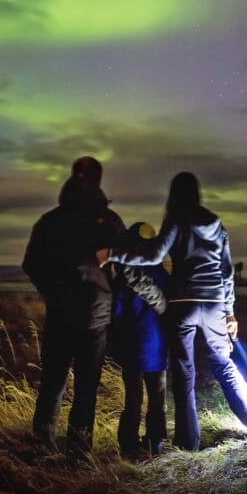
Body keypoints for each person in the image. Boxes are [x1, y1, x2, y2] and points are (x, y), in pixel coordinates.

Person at [97, 171, 247, 451]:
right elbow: (226, 271)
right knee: (223, 361)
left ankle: (188, 443)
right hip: (214, 304)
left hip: (183, 303)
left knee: (184, 373)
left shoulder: (176, 218)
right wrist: (230, 312)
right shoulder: (216, 223)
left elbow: (154, 256)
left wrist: (112, 253)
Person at [22, 159, 166, 461]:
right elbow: (128, 271)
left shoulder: (49, 221)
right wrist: (160, 302)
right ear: (99, 181)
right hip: (95, 317)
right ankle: (78, 455)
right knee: (86, 388)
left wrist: (53, 292)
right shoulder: (109, 221)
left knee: (52, 384)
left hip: (60, 314)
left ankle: (41, 448)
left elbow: (31, 264)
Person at [109, 221, 169, 458]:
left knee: (133, 399)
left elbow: (116, 313)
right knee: (157, 397)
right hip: (159, 347)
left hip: (133, 346)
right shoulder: (163, 274)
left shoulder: (125, 277)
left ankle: (129, 446)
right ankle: (156, 443)